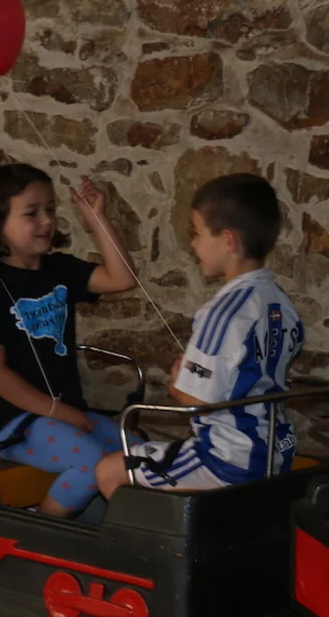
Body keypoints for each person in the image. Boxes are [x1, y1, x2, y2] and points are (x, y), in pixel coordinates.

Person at [96, 173, 303, 498]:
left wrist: (176, 384)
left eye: (196, 233)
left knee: (109, 470)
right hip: (275, 450)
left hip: (226, 459)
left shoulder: (223, 313)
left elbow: (198, 401)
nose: (193, 245)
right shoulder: (280, 302)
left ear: (228, 241)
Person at [0, 163, 141, 517]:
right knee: (91, 464)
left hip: (69, 413)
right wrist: (58, 411)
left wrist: (96, 218)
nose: (46, 221)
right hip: (18, 424)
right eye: (32, 213)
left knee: (138, 455)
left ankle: (98, 535)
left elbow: (122, 278)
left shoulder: (60, 269)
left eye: (50, 209)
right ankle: (38, 536)